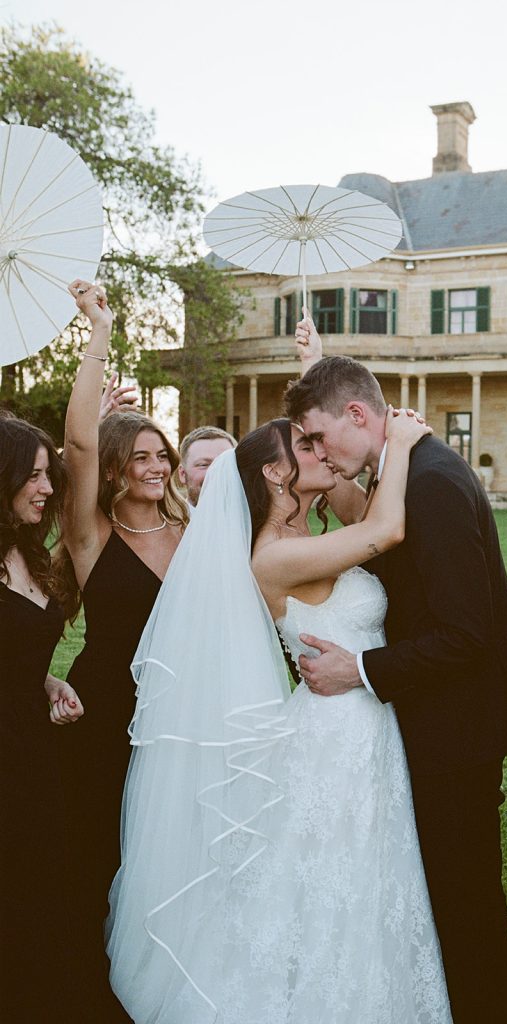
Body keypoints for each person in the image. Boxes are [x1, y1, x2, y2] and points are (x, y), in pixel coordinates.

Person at [106, 411, 456, 1024]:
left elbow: (355, 505)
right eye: (306, 445)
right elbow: (386, 528)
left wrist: (320, 380)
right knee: (326, 885)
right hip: (331, 735)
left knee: (365, 879)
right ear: (274, 471)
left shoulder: (307, 534)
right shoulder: (272, 557)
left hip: (362, 726)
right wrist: (397, 443)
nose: (322, 450)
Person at [283, 329, 507, 1024]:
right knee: (450, 888)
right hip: (441, 720)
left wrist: (361, 669)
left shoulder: (429, 483)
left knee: (462, 892)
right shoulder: (409, 468)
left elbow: (464, 631)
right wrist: (312, 371)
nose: (316, 454)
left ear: (356, 416)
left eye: (317, 437)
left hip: (455, 728)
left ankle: (486, 1007)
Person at [57, 280, 188, 1022]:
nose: (156, 464)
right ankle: (88, 980)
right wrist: (99, 331)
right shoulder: (91, 536)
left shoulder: (191, 534)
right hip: (106, 711)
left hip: (176, 715)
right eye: (139, 456)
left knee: (164, 852)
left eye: (161, 453)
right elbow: (76, 441)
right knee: (98, 848)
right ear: (113, 467)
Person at [0, 413, 85, 1022]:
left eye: (47, 474)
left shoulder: (30, 552)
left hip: (37, 755)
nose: (47, 488)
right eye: (32, 476)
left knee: (42, 892)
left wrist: (50, 680)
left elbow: (20, 653)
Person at [178, 425, 237, 508]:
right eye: (204, 465)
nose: (215, 472)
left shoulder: (251, 520)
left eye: (224, 464)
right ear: (182, 474)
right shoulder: (168, 520)